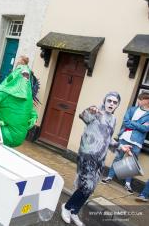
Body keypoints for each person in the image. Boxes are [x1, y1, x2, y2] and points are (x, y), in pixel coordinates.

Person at [61, 92, 132, 226]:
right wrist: (89, 110)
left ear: (117, 105)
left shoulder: (113, 120)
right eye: (109, 101)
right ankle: (66, 207)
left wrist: (121, 147)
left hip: (99, 158)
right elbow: (83, 116)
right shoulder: (96, 112)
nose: (111, 104)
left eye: (114, 102)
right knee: (86, 186)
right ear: (104, 101)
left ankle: (74, 211)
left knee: (90, 188)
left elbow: (108, 138)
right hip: (87, 156)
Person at [102, 92, 149, 193]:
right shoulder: (132, 109)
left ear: (146, 101)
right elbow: (125, 122)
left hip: (137, 142)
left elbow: (145, 129)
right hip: (124, 137)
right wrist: (137, 125)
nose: (138, 101)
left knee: (132, 163)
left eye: (140, 99)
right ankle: (109, 177)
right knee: (118, 158)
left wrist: (132, 123)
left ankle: (127, 184)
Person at [0, 63, 38, 147]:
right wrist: (22, 125)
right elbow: (34, 117)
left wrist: (0, 122)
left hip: (4, 134)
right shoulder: (28, 98)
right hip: (20, 138)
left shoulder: (4, 92)